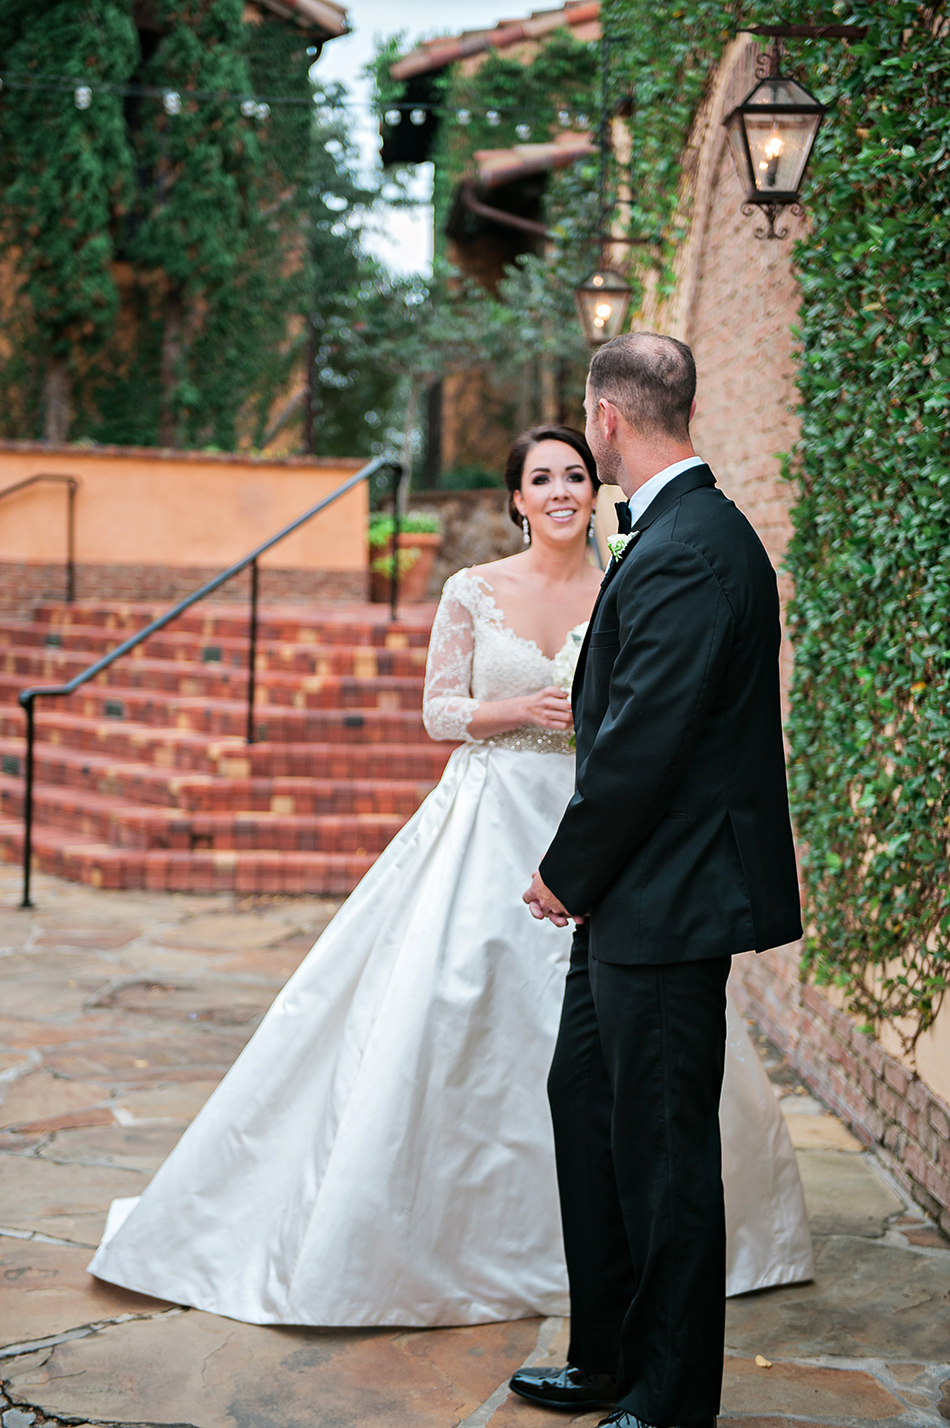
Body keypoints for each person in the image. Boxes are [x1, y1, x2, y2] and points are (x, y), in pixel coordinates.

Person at [87, 423, 810, 1332]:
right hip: (490, 817)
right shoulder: (474, 587)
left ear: (595, 490)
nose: (560, 491)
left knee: (618, 1054)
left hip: (600, 824)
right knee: (454, 1004)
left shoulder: (628, 579)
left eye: (575, 475)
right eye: (541, 478)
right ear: (516, 499)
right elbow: (438, 710)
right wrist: (516, 708)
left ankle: (622, 1266)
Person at [514, 337, 804, 1428]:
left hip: (669, 897)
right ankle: (606, 1357)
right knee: (586, 1105)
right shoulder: (677, 531)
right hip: (633, 896)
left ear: (605, 419)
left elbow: (643, 740)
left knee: (665, 1151)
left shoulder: (690, 545)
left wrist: (564, 870)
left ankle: (669, 1400)